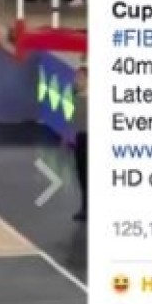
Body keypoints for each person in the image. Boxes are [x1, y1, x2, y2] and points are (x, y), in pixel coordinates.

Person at [72, 63, 88, 222]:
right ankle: (85, 207)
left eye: (81, 77)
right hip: (80, 137)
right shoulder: (77, 94)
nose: (77, 80)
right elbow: (75, 117)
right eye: (77, 77)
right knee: (82, 173)